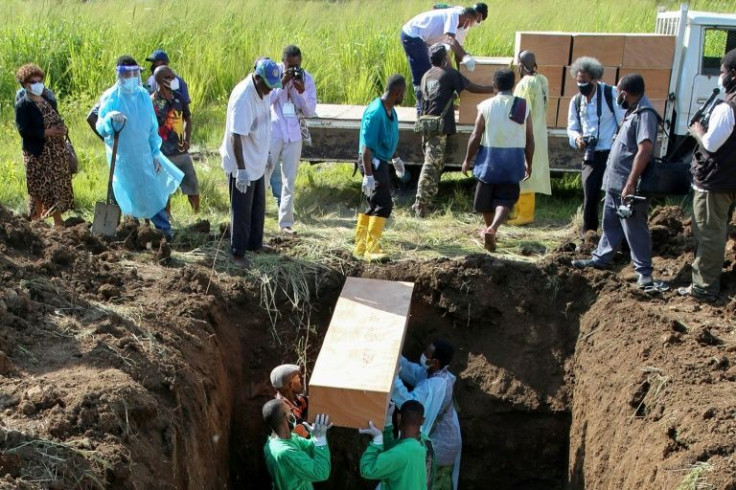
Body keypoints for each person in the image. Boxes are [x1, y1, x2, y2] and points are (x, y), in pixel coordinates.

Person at [571, 74, 662, 290]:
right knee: (610, 223)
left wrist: (631, 183)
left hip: (628, 185)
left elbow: (645, 149)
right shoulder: (631, 111)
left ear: (624, 92)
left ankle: (644, 274)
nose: (617, 95)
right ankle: (600, 259)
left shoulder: (645, 114)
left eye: (618, 91)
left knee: (634, 227)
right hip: (615, 183)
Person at [678, 48, 736, 302]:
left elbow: (712, 144)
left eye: (722, 72)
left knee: (710, 232)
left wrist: (698, 131)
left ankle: (704, 287)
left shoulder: (728, 108)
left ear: (733, 74)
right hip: (729, 178)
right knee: (716, 229)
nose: (719, 77)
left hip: (716, 181)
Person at [412, 43, 494, 218]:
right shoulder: (449, 73)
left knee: (436, 165)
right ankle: (421, 203)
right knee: (431, 166)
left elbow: (436, 97)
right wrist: (494, 89)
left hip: (426, 124)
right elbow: (470, 87)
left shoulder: (426, 75)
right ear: (444, 59)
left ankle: (428, 203)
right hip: (438, 127)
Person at [462, 69, 534, 252]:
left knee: (485, 200)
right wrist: (529, 162)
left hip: (489, 160)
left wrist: (467, 159)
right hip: (513, 159)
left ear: (494, 85)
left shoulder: (486, 105)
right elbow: (530, 138)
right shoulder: (522, 106)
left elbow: (476, 135)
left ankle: (489, 229)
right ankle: (493, 229)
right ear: (513, 85)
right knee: (506, 198)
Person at [220, 58, 282, 267]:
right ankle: (237, 253)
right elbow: (235, 136)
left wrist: (267, 154)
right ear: (257, 78)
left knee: (257, 207)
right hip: (243, 164)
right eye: (268, 86)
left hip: (257, 159)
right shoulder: (244, 98)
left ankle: (255, 244)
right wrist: (241, 171)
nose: (269, 91)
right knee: (242, 210)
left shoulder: (263, 91)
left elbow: (262, 125)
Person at [567, 57, 626, 237]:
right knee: (589, 194)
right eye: (578, 81)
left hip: (611, 152)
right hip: (591, 153)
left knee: (613, 194)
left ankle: (615, 234)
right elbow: (572, 127)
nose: (581, 85)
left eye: (584, 81)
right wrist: (577, 139)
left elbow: (623, 121)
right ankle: (589, 234)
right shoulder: (576, 101)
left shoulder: (610, 94)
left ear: (594, 79)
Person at [392, 340, 461, 490]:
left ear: (435, 362)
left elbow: (410, 405)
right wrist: (394, 357)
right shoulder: (435, 373)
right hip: (445, 440)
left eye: (427, 354)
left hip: (441, 446)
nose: (423, 355)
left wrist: (394, 380)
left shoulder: (435, 385)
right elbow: (411, 370)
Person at [265, 45, 318, 235]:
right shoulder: (273, 74)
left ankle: (285, 223)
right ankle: (258, 219)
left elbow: (310, 111)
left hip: (294, 134)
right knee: (264, 175)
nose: (293, 70)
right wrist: (281, 83)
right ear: (283, 62)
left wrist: (301, 91)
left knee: (290, 180)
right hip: (275, 130)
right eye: (290, 66)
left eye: (297, 66)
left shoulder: (306, 79)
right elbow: (266, 101)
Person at [353, 75, 406, 262]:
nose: (404, 97)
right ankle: (372, 248)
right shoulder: (375, 113)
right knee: (383, 204)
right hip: (371, 162)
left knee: (372, 203)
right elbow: (366, 148)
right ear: (397, 92)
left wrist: (396, 158)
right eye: (403, 93)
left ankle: (360, 247)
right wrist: (368, 175)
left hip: (381, 161)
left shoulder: (391, 112)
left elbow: (389, 139)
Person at [14, 63, 74, 228]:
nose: (38, 84)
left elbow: (56, 117)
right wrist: (48, 132)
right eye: (34, 81)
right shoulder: (23, 105)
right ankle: (36, 224)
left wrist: (61, 129)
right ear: (26, 84)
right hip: (37, 153)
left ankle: (58, 223)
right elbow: (24, 130)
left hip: (56, 152)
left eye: (40, 80)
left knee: (56, 186)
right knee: (37, 189)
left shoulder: (48, 98)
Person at [400, 6, 477, 112]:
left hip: (425, 41)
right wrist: (465, 57)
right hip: (413, 34)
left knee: (439, 71)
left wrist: (456, 74)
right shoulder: (454, 15)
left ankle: (438, 104)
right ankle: (421, 108)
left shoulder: (459, 27)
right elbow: (450, 40)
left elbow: (450, 52)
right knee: (424, 72)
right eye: (469, 22)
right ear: (467, 18)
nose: (468, 26)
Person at [509, 50, 552, 226]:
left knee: (523, 174)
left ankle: (524, 214)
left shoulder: (525, 84)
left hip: (525, 133)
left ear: (520, 66)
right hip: (539, 131)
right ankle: (520, 212)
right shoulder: (543, 80)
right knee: (530, 172)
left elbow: (519, 113)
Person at [151, 65, 200, 215]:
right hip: (163, 154)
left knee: (192, 185)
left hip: (181, 151)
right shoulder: (152, 102)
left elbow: (188, 119)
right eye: (169, 77)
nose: (173, 80)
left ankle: (197, 216)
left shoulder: (179, 98)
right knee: (165, 191)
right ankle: (168, 219)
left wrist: (187, 138)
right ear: (160, 80)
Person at [262, 399, 332, 489]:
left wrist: (315, 435)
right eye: (290, 411)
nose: (293, 413)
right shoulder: (285, 453)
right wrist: (321, 438)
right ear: (287, 418)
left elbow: (309, 448)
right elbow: (321, 472)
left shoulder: (284, 439)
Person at [358, 400, 428, 490]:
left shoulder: (401, 452)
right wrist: (387, 423)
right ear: (422, 421)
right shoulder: (421, 446)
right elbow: (391, 452)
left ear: (399, 417)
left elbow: (366, 469)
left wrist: (377, 440)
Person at [270, 364, 309, 438]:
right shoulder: (283, 413)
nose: (300, 380)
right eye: (298, 379)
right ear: (291, 385)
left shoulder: (298, 400)